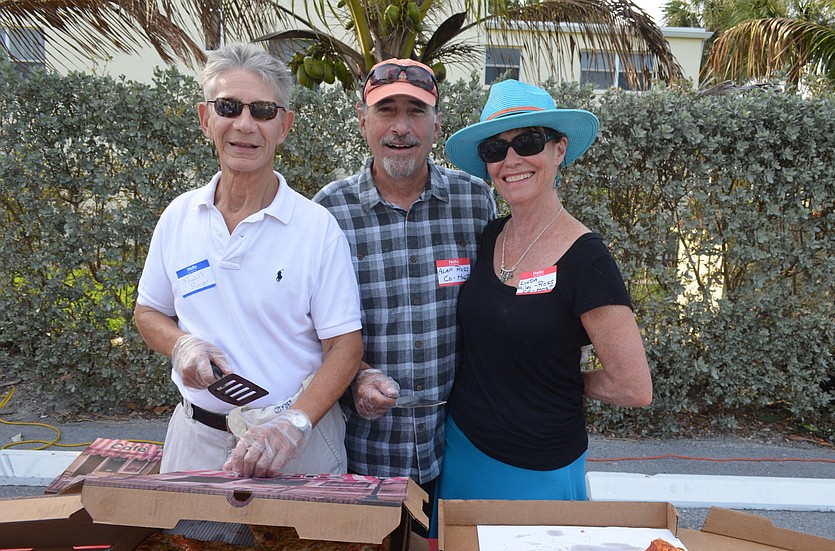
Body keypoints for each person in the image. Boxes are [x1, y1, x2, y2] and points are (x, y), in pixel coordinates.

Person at [134, 43, 363, 478]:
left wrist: (292, 425)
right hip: (196, 442)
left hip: (298, 446)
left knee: (306, 549)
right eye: (229, 107)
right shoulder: (178, 217)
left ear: (284, 126)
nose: (244, 124)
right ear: (206, 119)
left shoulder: (317, 228)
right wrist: (180, 343)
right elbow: (148, 311)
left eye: (262, 110)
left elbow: (345, 346)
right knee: (192, 546)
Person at [434, 79, 653, 508]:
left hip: (537, 466)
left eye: (528, 141)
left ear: (558, 150)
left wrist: (556, 378)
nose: (511, 159)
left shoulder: (586, 258)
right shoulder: (490, 236)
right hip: (461, 449)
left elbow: (633, 386)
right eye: (495, 149)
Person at [313, 59, 497, 509]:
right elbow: (305, 326)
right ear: (362, 120)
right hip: (362, 448)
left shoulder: (475, 201)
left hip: (459, 445)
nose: (401, 128)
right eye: (386, 111)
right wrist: (355, 376)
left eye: (415, 111)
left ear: (438, 123)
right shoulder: (327, 212)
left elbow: (496, 306)